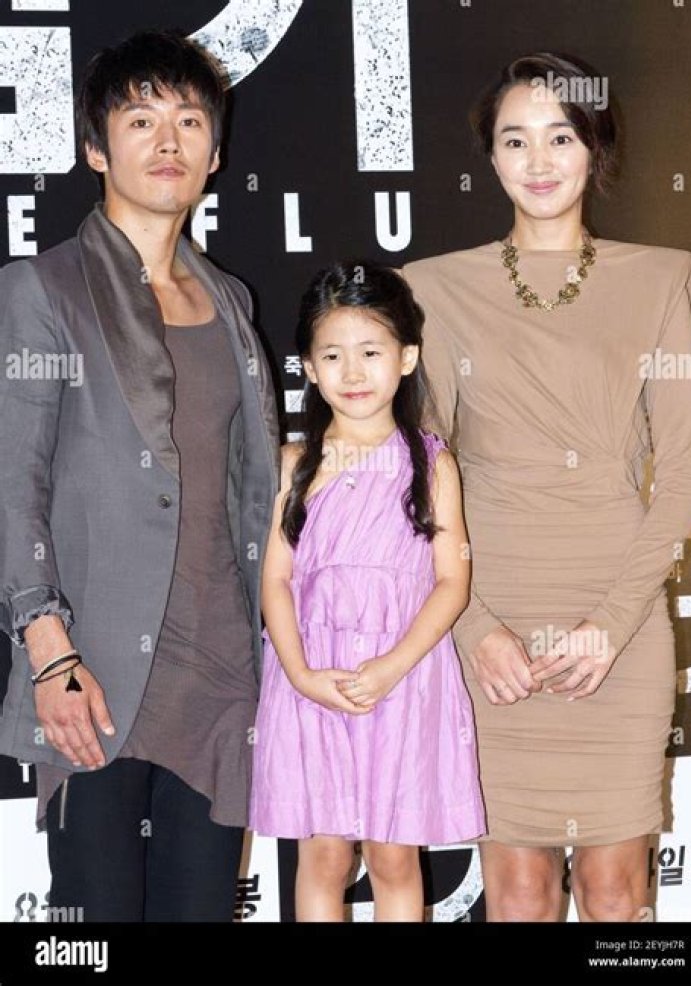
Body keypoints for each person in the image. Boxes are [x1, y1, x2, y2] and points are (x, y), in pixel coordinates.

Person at [402, 52, 691, 922]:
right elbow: (420, 478)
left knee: (618, 892)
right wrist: (473, 628)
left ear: (594, 148)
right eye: (515, 140)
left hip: (620, 617)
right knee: (519, 894)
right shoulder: (433, 289)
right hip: (489, 611)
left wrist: (611, 624)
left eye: (560, 137)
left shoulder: (662, 279)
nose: (538, 161)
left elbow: (685, 471)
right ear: (491, 157)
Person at [0, 30, 279, 921]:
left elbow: (249, 486)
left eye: (190, 121)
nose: (168, 141)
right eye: (141, 119)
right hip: (96, 673)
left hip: (219, 674)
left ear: (216, 152)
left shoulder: (231, 302)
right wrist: (50, 654)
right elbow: (14, 484)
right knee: (97, 922)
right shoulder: (43, 290)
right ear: (96, 148)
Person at [249, 261, 486, 921]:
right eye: (332, 356)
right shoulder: (294, 465)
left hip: (403, 680)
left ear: (406, 358)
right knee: (323, 856)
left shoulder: (432, 464)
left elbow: (452, 581)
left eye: (371, 352)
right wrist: (300, 674)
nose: (352, 372)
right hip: (313, 678)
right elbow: (275, 578)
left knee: (393, 857)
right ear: (308, 367)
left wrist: (390, 667)